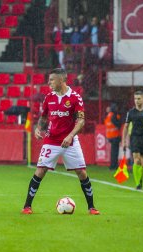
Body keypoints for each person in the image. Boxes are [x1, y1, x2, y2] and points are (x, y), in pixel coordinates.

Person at [21, 68, 100, 215]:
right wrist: (39, 128)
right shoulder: (49, 97)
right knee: (40, 170)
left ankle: (92, 207)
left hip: (70, 141)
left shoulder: (75, 98)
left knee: (81, 172)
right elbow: (44, 117)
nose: (49, 82)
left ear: (61, 80)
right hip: (51, 140)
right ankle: (27, 206)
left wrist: (70, 136)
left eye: (52, 80)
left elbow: (81, 121)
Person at [104, 103, 122, 170]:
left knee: (112, 151)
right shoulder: (115, 115)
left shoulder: (108, 115)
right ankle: (114, 165)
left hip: (109, 135)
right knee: (115, 152)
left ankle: (112, 165)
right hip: (115, 135)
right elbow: (118, 124)